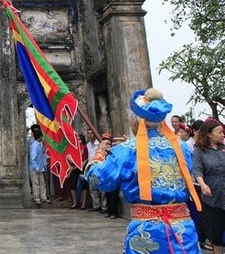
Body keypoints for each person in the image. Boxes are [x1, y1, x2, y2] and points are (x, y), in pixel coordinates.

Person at [85, 88, 201, 254]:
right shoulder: (181, 147)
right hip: (183, 228)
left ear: (136, 121)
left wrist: (100, 153)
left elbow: (99, 178)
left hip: (146, 230)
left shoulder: (126, 150)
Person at [192, 118, 225, 254]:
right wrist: (203, 184)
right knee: (216, 226)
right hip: (212, 193)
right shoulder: (199, 152)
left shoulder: (223, 149)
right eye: (219, 132)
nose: (223, 135)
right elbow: (197, 170)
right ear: (209, 134)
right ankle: (217, 251)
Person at [86, 129, 105, 212]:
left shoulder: (100, 144)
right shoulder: (88, 145)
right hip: (91, 167)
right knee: (92, 188)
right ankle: (96, 205)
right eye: (89, 133)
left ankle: (104, 206)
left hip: (99, 166)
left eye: (92, 133)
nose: (90, 135)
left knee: (102, 188)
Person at [29, 127, 49, 205]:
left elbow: (43, 152)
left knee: (42, 183)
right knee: (36, 183)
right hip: (35, 168)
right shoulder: (34, 146)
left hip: (40, 167)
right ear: (40, 136)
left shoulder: (40, 144)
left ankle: (43, 197)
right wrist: (36, 167)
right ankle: (36, 197)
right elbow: (33, 158)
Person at [68, 133, 88, 209]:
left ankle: (83, 203)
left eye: (80, 139)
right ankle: (75, 202)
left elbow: (80, 156)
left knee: (84, 186)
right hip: (75, 167)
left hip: (81, 167)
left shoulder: (83, 147)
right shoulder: (73, 147)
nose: (78, 140)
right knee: (73, 185)